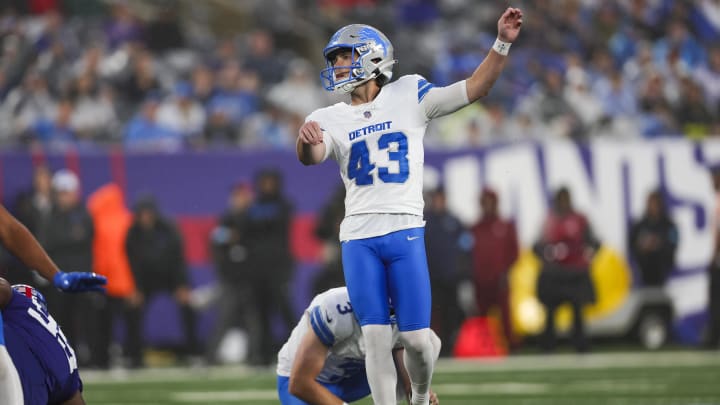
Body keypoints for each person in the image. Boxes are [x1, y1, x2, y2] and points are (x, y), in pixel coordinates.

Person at [296, 8, 522, 404]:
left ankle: (418, 398)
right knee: (376, 337)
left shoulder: (410, 93)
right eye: (335, 59)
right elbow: (312, 156)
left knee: (418, 339)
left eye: (345, 56)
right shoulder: (327, 116)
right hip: (359, 236)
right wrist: (305, 140)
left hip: (404, 230)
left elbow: (475, 87)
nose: (338, 66)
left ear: (371, 56)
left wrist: (501, 42)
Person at [276, 287, 440, 405]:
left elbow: (400, 346)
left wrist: (416, 392)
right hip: (309, 379)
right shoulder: (336, 309)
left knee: (428, 342)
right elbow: (299, 383)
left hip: (354, 377)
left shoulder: (399, 311)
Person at [125, 196, 197, 367]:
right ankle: (134, 356)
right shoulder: (132, 234)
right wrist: (135, 288)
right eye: (141, 214)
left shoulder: (169, 229)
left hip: (169, 276)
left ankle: (193, 352)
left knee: (188, 305)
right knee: (132, 309)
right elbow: (131, 262)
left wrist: (182, 285)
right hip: (144, 279)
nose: (145, 218)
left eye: (148, 214)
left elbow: (179, 259)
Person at [533, 187, 600, 353]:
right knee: (550, 313)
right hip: (554, 274)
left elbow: (594, 243)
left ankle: (580, 345)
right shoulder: (549, 221)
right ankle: (548, 346)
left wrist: (586, 258)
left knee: (577, 311)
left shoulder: (579, 220)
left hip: (574, 273)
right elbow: (537, 246)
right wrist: (546, 256)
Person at [1, 280, 85, 404]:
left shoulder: (20, 303)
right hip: (62, 377)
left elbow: (4, 288)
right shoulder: (54, 336)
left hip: (30, 378)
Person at [470, 187, 519, 351]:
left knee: (505, 316)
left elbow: (514, 251)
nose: (488, 205)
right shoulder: (475, 229)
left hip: (500, 279)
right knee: (482, 317)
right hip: (480, 281)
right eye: (485, 202)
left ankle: (510, 346)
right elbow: (468, 254)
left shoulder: (505, 226)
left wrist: (504, 270)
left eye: (490, 202)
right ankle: (484, 347)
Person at [424, 187, 467, 357]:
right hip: (432, 277)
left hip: (451, 276)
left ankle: (449, 346)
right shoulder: (425, 220)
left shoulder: (454, 221)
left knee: (451, 312)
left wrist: (462, 270)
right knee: (434, 312)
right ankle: (433, 347)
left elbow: (465, 246)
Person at [628, 189, 678, 287]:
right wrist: (643, 248)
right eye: (651, 203)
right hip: (644, 271)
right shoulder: (639, 225)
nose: (653, 207)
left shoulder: (669, 225)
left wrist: (659, 245)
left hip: (663, 271)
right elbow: (632, 245)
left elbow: (674, 242)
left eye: (656, 203)